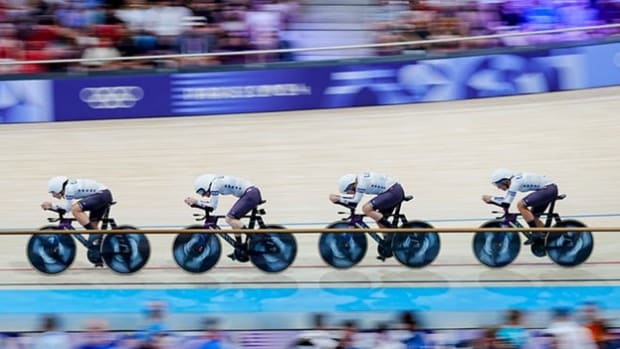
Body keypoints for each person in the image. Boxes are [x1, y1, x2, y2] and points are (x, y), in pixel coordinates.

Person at [184, 174, 262, 262]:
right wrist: (198, 203)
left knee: (229, 219)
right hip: (250, 193)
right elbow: (210, 205)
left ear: (205, 184)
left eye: (202, 192)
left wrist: (197, 202)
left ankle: (255, 238)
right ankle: (240, 247)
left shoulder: (215, 185)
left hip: (250, 194)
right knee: (233, 220)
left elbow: (212, 206)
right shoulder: (216, 182)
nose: (203, 196)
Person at [481, 168, 558, 255]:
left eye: (498, 184)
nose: (498, 187)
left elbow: (506, 203)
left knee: (521, 205)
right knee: (532, 216)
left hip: (548, 189)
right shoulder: (514, 180)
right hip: (548, 189)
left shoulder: (515, 182)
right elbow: (506, 200)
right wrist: (492, 200)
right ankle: (548, 238)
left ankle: (536, 233)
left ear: (505, 180)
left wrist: (491, 199)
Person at [329, 172, 405, 259]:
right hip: (392, 191)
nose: (350, 193)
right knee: (377, 217)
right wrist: (340, 200)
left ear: (351, 185)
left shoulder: (361, 184)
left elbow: (354, 200)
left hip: (393, 192)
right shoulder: (359, 181)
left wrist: (338, 198)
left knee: (366, 208)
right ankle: (390, 242)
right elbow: (353, 202)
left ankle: (393, 232)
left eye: (348, 191)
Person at [41, 176, 113, 266]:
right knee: (93, 227)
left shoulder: (68, 189)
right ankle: (97, 254)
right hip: (102, 195)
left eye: (53, 192)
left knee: (75, 209)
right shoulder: (68, 187)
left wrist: (52, 206)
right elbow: (65, 209)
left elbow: (67, 209)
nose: (53, 195)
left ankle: (95, 234)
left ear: (58, 188)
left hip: (102, 195)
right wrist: (53, 207)